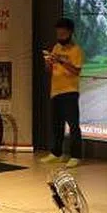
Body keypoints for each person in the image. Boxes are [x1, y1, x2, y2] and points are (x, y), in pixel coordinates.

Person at [41, 18, 84, 167]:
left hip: (70, 91)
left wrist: (60, 60)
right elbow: (49, 70)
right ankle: (56, 153)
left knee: (73, 125)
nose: (60, 36)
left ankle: (75, 155)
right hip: (55, 92)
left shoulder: (76, 50)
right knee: (56, 125)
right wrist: (48, 62)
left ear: (70, 33)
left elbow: (76, 70)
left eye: (63, 33)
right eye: (58, 33)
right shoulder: (56, 47)